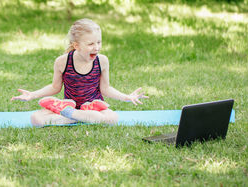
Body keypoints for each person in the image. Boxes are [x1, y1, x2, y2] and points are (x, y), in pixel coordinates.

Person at [11, 18, 148, 127]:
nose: (97, 48)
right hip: (68, 106)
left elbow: (106, 89)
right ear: (76, 45)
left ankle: (74, 116)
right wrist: (32, 95)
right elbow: (55, 87)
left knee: (113, 118)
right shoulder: (62, 61)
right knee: (35, 119)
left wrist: (126, 97)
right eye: (91, 44)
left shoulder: (102, 61)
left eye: (99, 42)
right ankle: (76, 116)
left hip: (93, 106)